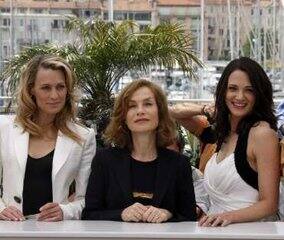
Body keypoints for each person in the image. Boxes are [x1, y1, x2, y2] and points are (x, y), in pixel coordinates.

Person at [82, 79, 196, 222]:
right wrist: (121, 214)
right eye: (132, 106)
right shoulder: (104, 160)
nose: (140, 111)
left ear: (160, 113)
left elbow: (190, 218)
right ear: (123, 117)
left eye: (148, 104)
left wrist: (168, 214)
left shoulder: (179, 164)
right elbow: (89, 215)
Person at [0, 55, 96, 221]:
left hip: (55, 234)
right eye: (46, 88)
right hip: (10, 232)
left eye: (60, 87)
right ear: (31, 89)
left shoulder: (83, 137)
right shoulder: (4, 129)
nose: (54, 95)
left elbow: (87, 199)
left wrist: (64, 211)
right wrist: (1, 209)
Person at [198, 57, 280, 227]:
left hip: (251, 238)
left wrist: (229, 216)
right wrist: (206, 110)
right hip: (216, 234)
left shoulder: (263, 134)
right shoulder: (223, 133)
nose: (240, 97)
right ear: (223, 92)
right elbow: (174, 114)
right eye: (232, 89)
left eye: (249, 90)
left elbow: (269, 204)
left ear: (259, 94)